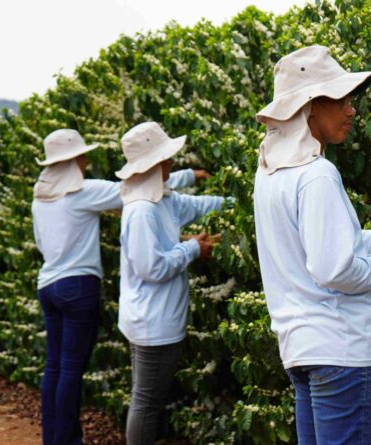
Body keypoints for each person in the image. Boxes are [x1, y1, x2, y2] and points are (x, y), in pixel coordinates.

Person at [253, 45, 371, 445]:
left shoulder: (271, 176)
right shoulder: (317, 175)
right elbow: (334, 268)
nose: (350, 110)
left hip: (302, 350)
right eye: (340, 99)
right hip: (342, 351)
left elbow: (334, 246)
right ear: (310, 107)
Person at [32, 129, 208, 445]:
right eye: (82, 156)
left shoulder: (40, 196)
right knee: (72, 370)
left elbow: (42, 243)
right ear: (71, 162)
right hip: (76, 286)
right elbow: (135, 187)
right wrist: (188, 176)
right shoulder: (82, 191)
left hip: (47, 285)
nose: (86, 162)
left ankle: (53, 439)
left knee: (54, 367)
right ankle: (68, 441)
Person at [115, 121, 233, 445]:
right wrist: (193, 247)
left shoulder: (161, 199)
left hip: (158, 317)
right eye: (166, 158)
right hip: (151, 322)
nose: (171, 163)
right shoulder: (141, 210)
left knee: (150, 400)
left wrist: (240, 199)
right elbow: (151, 267)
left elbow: (194, 206)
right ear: (153, 164)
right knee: (147, 403)